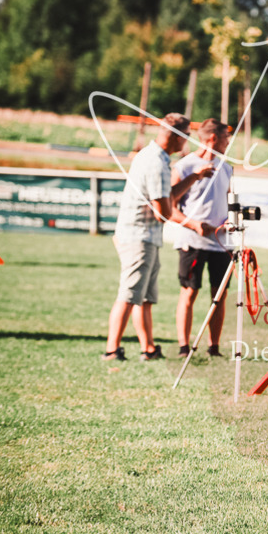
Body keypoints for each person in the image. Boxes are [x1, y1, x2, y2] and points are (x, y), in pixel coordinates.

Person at [104, 113, 195, 361]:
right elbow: (162, 213)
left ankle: (148, 348)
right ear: (175, 136)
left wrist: (191, 178)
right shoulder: (157, 162)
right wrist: (190, 183)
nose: (186, 142)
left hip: (143, 235)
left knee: (144, 297)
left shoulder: (150, 155)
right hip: (139, 236)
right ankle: (112, 349)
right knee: (129, 294)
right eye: (186, 136)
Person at [170, 118, 234, 357]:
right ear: (213, 138)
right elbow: (169, 207)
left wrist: (230, 220)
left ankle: (213, 347)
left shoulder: (226, 167)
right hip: (192, 242)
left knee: (219, 295)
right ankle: (184, 347)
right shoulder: (185, 166)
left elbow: (230, 201)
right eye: (226, 138)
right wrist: (194, 224)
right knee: (189, 292)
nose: (228, 143)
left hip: (221, 243)